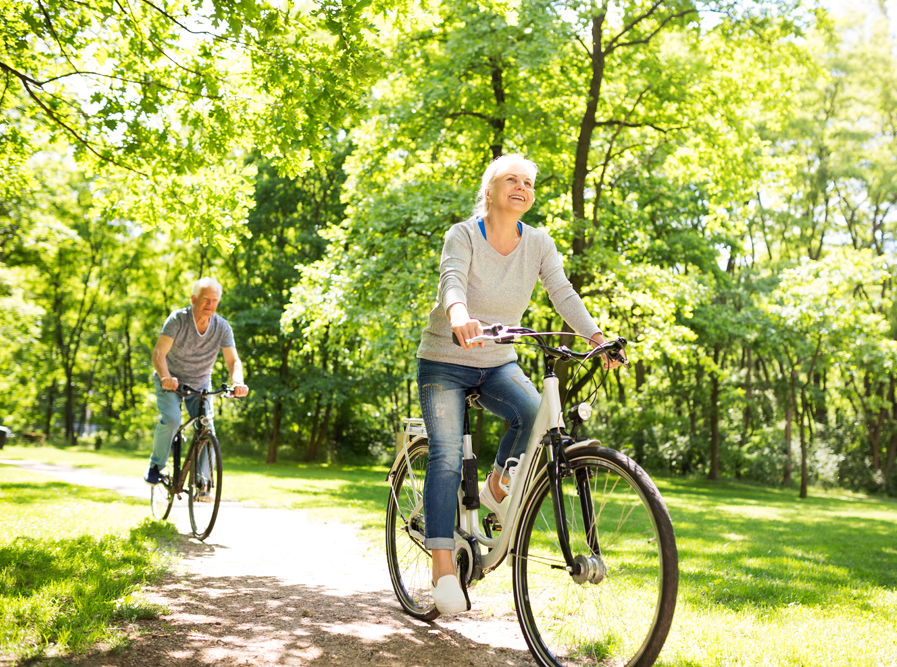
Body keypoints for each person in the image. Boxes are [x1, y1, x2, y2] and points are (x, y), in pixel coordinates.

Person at [415, 154, 625, 614]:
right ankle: (443, 568)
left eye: (528, 182)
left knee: (534, 414)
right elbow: (452, 281)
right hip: (445, 359)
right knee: (446, 454)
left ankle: (494, 487)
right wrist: (459, 316)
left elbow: (562, 291)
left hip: (497, 361)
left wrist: (596, 338)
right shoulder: (464, 234)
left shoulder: (540, 243)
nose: (522, 187)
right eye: (511, 179)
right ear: (489, 190)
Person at [144, 277, 249, 486]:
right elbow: (158, 353)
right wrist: (165, 377)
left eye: (215, 300)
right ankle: (155, 466)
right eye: (205, 299)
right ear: (193, 299)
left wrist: (238, 381)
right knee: (172, 419)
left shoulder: (222, 327)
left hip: (199, 384)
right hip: (170, 381)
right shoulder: (178, 320)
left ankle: (203, 484)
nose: (210, 304)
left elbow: (233, 360)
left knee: (206, 427)